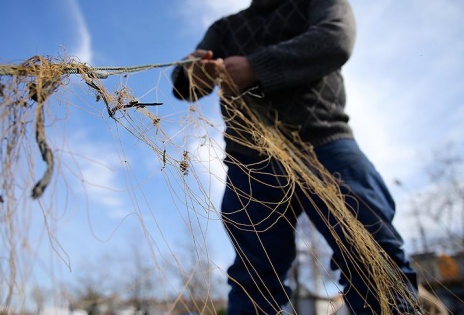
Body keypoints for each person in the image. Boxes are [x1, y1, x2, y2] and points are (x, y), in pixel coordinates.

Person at [171, 0, 420, 314]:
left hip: (324, 142)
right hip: (250, 160)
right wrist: (192, 71)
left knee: (373, 255)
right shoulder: (223, 29)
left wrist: (254, 67)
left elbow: (336, 39)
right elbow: (184, 86)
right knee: (255, 279)